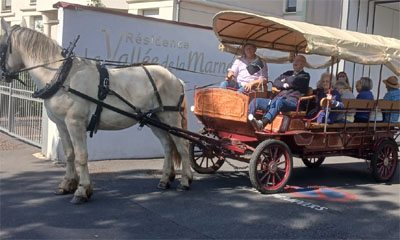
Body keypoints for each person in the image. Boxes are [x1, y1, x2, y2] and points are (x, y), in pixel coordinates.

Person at [248, 55, 310, 130]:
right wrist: (283, 84)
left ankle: (262, 123)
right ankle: (249, 122)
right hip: (277, 100)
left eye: (298, 61)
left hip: (292, 102)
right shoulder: (288, 73)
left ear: (303, 64)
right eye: (294, 60)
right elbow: (276, 82)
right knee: (255, 101)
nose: (295, 62)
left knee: (279, 102)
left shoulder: (305, 76)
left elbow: (293, 81)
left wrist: (284, 80)